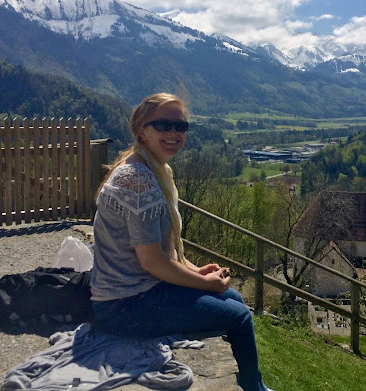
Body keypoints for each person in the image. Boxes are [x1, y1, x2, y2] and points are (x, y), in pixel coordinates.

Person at [90, 92, 272, 391]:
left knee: (236, 299)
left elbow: (165, 250)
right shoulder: (138, 179)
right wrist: (207, 284)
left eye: (181, 126)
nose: (174, 132)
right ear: (141, 130)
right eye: (163, 125)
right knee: (238, 316)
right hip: (124, 304)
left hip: (141, 291)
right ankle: (254, 388)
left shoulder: (156, 170)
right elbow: (151, 261)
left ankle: (253, 384)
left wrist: (196, 271)